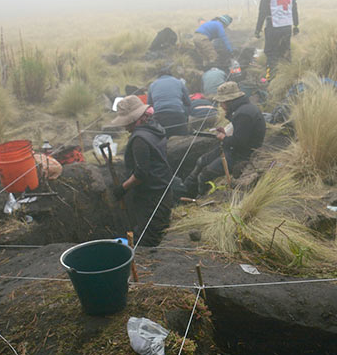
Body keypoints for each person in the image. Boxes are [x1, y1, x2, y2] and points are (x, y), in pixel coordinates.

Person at [109, 96, 175, 247]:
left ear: (135, 119)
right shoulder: (155, 128)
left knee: (147, 239)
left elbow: (141, 174)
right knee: (156, 231)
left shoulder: (139, 140)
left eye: (127, 122)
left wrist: (122, 188)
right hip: (163, 189)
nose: (125, 127)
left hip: (151, 196)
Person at [184, 81, 265, 197]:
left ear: (229, 101)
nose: (221, 106)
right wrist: (225, 135)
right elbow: (241, 136)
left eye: (222, 102)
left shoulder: (243, 114)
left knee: (204, 175)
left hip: (242, 155)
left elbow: (240, 143)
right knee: (201, 161)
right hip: (233, 149)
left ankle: (201, 198)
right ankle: (185, 190)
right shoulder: (243, 109)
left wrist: (223, 138)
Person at [255, 0, 299, 77]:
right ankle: (287, 76)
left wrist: (257, 29)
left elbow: (262, 12)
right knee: (285, 52)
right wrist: (296, 25)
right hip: (287, 27)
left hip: (273, 27)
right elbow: (294, 9)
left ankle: (271, 77)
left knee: (271, 53)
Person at [147, 66, 191, 136]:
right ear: (171, 74)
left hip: (159, 118)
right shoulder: (179, 82)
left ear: (158, 76)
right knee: (183, 140)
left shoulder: (152, 85)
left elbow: (149, 106)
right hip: (178, 116)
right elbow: (188, 102)